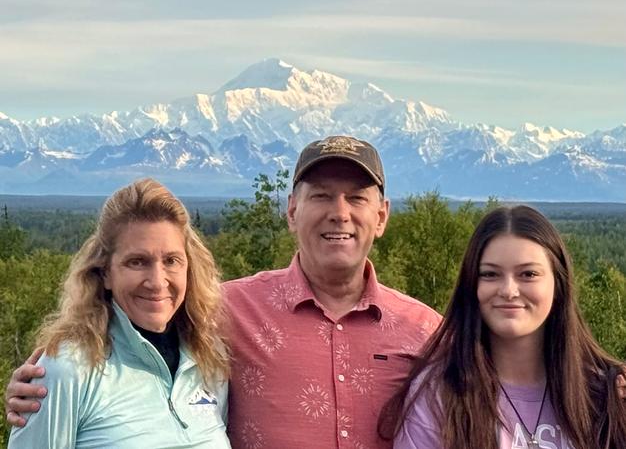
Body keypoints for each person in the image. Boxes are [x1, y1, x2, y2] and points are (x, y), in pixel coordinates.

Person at [5, 135, 442, 449]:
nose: (339, 213)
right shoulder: (224, 310)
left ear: (381, 216)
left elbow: (475, 404)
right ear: (292, 211)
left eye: (357, 198)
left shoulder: (427, 332)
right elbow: (128, 326)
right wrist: (47, 380)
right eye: (321, 196)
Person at [8, 178, 231, 448]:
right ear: (105, 273)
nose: (157, 282)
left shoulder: (208, 358)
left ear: (189, 268)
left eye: (171, 261)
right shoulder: (69, 368)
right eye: (137, 262)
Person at [382, 205, 626, 449]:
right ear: (472, 284)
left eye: (528, 274)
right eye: (490, 274)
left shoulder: (606, 394)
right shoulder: (438, 396)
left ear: (558, 284)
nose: (509, 290)